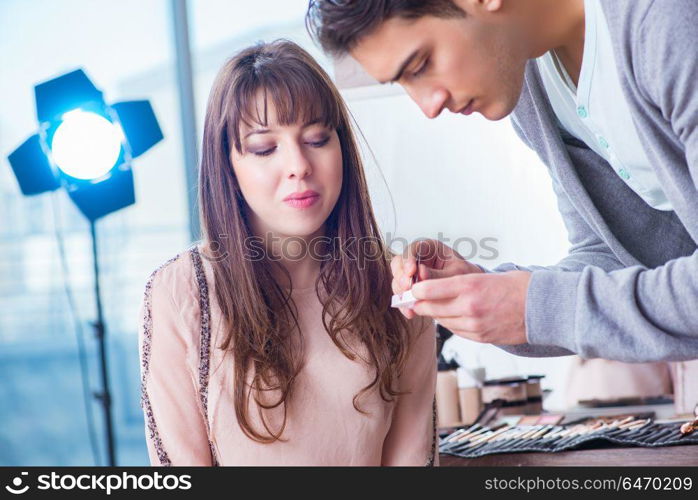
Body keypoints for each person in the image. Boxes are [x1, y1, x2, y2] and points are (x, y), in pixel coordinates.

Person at [306, 0, 698, 413]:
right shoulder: (532, 83)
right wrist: (485, 291)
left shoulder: (667, 22)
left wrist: (535, 307)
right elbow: (617, 256)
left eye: (420, 65)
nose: (428, 106)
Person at [137, 40, 437, 466]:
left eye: (317, 139)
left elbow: (412, 462)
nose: (298, 164)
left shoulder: (400, 285)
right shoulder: (180, 293)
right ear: (228, 164)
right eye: (264, 148)